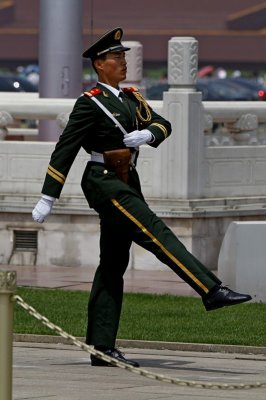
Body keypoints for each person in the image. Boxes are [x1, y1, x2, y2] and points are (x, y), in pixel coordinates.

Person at [32, 27, 252, 368]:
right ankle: (210, 289)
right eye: (116, 57)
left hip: (127, 180)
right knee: (154, 230)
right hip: (103, 180)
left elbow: (164, 123)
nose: (123, 62)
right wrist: (49, 196)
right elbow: (65, 149)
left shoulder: (132, 98)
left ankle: (102, 348)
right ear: (99, 64)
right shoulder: (90, 103)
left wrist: (148, 133)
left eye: (123, 56)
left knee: (112, 265)